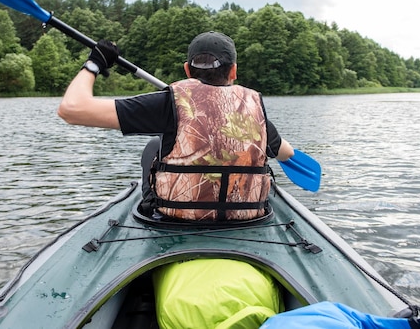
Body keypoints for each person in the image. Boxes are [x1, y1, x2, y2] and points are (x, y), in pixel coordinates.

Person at [58, 31, 294, 221]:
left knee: (155, 145)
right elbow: (287, 153)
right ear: (233, 70)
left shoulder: (168, 103)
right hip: (246, 221)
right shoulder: (254, 110)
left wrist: (94, 63)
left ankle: (150, 209)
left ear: (187, 70)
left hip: (177, 219)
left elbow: (71, 109)